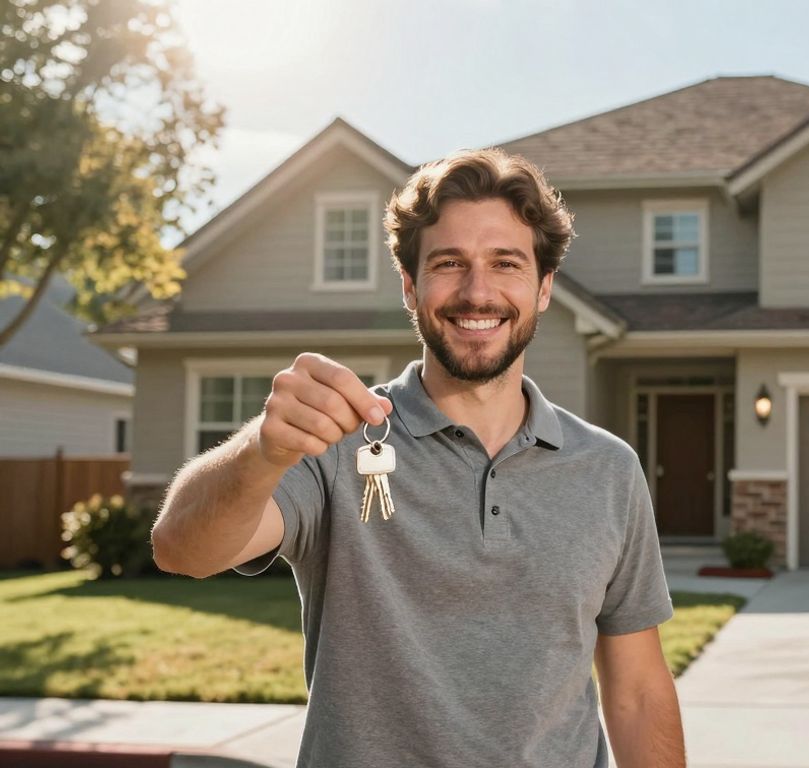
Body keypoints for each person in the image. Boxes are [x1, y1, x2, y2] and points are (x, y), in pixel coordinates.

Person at [150, 148, 686, 767]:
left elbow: (638, 692)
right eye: (449, 263)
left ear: (544, 288)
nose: (477, 292)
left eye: (505, 263)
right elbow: (180, 548)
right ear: (410, 286)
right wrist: (260, 451)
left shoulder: (609, 470)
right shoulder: (335, 443)